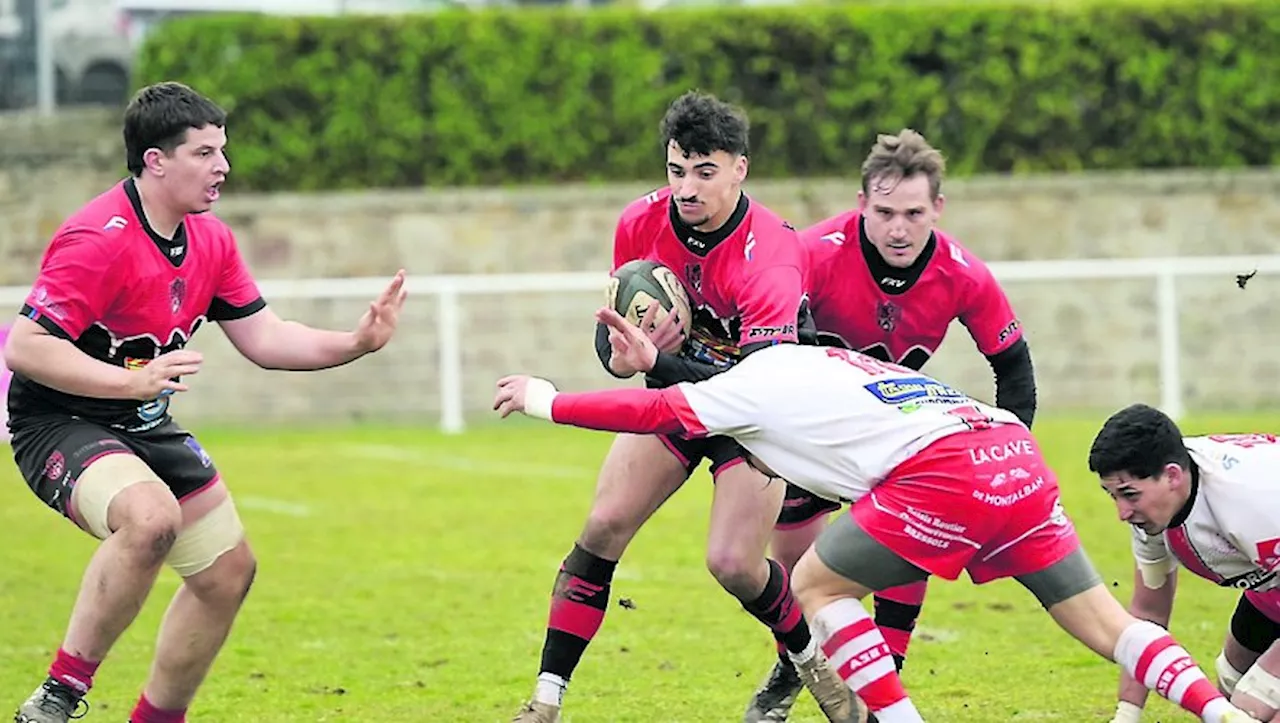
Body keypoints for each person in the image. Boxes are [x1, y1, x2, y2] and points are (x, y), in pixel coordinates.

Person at [491, 309, 1256, 723]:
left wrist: (546, 399)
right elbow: (695, 382)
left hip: (945, 469)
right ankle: (1221, 715)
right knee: (1106, 622)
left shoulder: (751, 387)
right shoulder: (827, 363)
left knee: (817, 585)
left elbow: (657, 405)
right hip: (1010, 446)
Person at [6, 81, 407, 723]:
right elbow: (26, 346)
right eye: (204, 153)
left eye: (223, 150)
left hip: (140, 421)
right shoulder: (97, 238)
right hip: (59, 421)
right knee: (150, 518)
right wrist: (129, 383)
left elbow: (265, 337)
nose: (223, 167)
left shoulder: (210, 240)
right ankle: (58, 696)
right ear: (155, 161)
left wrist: (356, 341)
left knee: (227, 575)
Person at [511, 90, 861, 723]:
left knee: (733, 564)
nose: (687, 189)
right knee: (602, 524)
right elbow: (618, 338)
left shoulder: (774, 254)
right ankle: (544, 700)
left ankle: (816, 671)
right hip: (681, 397)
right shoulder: (638, 223)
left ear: (739, 169)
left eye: (705, 171)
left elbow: (759, 387)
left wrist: (658, 364)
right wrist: (624, 357)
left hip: (760, 417)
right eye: (677, 170)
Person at [751, 128, 1039, 719]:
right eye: (884, 212)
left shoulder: (965, 274)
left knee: (913, 530)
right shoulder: (813, 251)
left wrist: (1012, 456)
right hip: (813, 428)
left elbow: (1015, 372)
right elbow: (768, 330)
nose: (898, 228)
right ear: (860, 205)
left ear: (938, 207)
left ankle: (888, 684)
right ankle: (793, 664)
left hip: (892, 433)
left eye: (913, 212)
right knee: (794, 577)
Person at [1090, 404, 1280, 723]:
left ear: (1173, 477)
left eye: (1129, 495)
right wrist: (1126, 714)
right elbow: (1149, 614)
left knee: (1254, 704)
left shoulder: (1253, 500)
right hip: (1270, 587)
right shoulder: (1157, 511)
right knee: (1230, 686)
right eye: (1114, 496)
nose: (1122, 512)